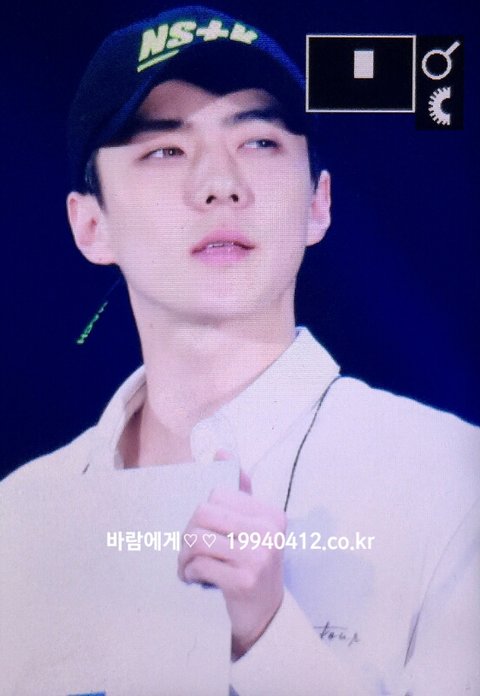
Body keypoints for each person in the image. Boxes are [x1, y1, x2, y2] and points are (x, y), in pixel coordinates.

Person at [1, 5, 479, 695]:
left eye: (259, 142)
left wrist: (268, 639)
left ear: (318, 203)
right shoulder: (23, 519)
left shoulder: (449, 481)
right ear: (91, 225)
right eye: (165, 150)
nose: (220, 184)